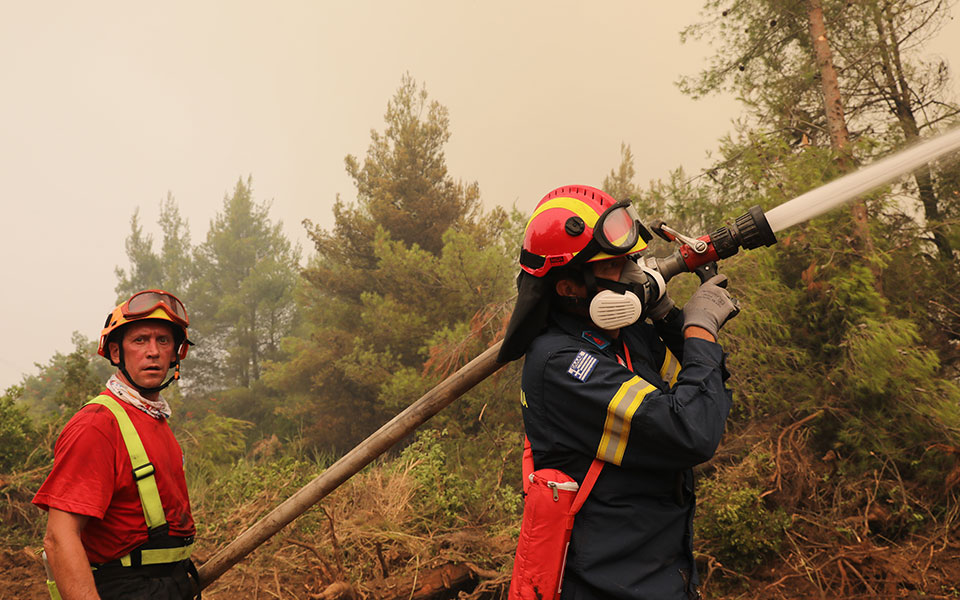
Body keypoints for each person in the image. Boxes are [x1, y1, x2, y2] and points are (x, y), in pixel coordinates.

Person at [499, 185, 740, 600]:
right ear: (568, 287)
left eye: (631, 260)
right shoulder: (560, 364)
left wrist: (669, 316)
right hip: (607, 587)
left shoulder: (626, 338)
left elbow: (704, 387)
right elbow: (693, 429)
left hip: (664, 577)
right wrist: (700, 328)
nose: (632, 275)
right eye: (612, 267)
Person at [34, 290, 200, 600]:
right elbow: (59, 537)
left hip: (168, 586)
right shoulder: (98, 424)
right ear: (114, 352)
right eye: (140, 340)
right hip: (122, 590)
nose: (153, 351)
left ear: (176, 353)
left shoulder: (155, 420)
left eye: (163, 341)